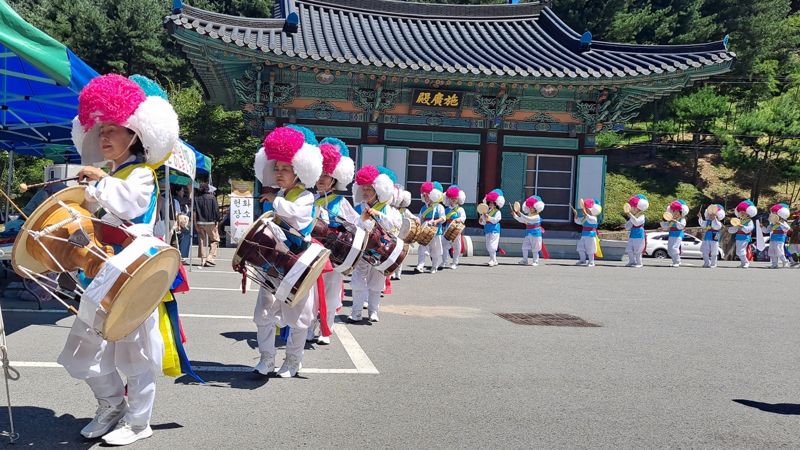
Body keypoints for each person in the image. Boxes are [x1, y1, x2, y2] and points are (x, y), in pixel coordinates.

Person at [56, 73, 179, 445]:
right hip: (101, 275)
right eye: (101, 129)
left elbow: (128, 202)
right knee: (84, 351)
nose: (104, 136)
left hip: (134, 275)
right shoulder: (110, 175)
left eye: (114, 128)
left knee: (135, 354)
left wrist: (97, 183)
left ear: (136, 134)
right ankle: (111, 406)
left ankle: (139, 422)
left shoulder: (141, 174)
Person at [252, 126, 323, 377]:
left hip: (297, 262)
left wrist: (275, 201)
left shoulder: (305, 196)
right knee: (264, 311)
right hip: (272, 262)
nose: (279, 173)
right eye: (277, 168)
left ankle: (293, 360)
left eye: (285, 169)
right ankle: (267, 358)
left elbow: (297, 217)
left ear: (300, 171)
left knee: (298, 313)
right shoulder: (278, 194)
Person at [307, 137, 356, 345]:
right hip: (310, 252)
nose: (321, 180)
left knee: (330, 292)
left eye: (326, 176)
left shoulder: (341, 202)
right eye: (319, 175)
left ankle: (326, 329)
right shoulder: (307, 199)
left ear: (335, 179)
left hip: (333, 254)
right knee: (309, 292)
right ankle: (308, 326)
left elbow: (354, 227)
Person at [349, 165, 401, 323]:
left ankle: (373, 311)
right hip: (362, 250)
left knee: (377, 282)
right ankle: (356, 312)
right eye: (363, 189)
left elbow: (394, 227)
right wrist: (362, 220)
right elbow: (352, 227)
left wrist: (378, 215)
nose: (365, 193)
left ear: (378, 191)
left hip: (381, 250)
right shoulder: (359, 208)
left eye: (369, 190)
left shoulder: (388, 209)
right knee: (358, 281)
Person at [414, 181, 445, 274]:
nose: (426, 198)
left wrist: (436, 221)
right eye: (424, 196)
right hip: (425, 231)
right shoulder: (423, 208)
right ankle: (420, 266)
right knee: (422, 248)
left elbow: (443, 218)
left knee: (435, 250)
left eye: (427, 195)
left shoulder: (439, 207)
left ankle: (434, 266)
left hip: (436, 231)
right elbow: (420, 218)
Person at [512, 195, 545, 266]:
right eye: (529, 207)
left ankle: (535, 261)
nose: (530, 208)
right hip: (528, 233)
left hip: (536, 233)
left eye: (532, 207)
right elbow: (522, 220)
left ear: (536, 208)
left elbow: (528, 219)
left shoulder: (537, 216)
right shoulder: (529, 215)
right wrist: (515, 215)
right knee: (524, 247)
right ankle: (525, 260)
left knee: (535, 248)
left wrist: (519, 213)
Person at [194, 182, 219, 267]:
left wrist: (195, 223)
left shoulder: (196, 198)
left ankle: (203, 259)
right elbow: (216, 210)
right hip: (211, 222)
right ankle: (210, 256)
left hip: (199, 221)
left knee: (202, 240)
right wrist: (217, 221)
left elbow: (194, 212)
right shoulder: (212, 198)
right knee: (215, 239)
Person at [441, 186, 466, 270]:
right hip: (447, 229)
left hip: (456, 230)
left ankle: (455, 262)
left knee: (456, 247)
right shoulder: (446, 210)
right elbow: (443, 219)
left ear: (458, 199)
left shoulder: (460, 209)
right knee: (444, 245)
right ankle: (444, 261)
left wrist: (458, 219)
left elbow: (463, 217)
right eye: (452, 198)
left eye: (455, 198)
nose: (453, 200)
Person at [572, 198, 602, 267]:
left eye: (586, 208)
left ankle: (591, 262)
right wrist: (576, 214)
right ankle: (582, 260)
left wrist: (585, 212)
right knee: (580, 247)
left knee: (590, 248)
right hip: (584, 235)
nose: (585, 210)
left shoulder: (594, 218)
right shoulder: (585, 217)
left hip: (591, 235)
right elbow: (579, 222)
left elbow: (590, 218)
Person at [660, 199, 689, 267]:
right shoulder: (671, 219)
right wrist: (664, 220)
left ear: (680, 212)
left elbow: (681, 226)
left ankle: (677, 261)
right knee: (670, 249)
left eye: (677, 211)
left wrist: (675, 221)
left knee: (674, 248)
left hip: (678, 234)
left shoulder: (682, 219)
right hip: (671, 234)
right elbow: (665, 226)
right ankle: (674, 261)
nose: (675, 212)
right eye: (674, 211)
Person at [728, 200, 757, 268]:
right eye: (741, 212)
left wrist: (741, 226)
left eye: (744, 212)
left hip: (745, 237)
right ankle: (743, 263)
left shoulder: (749, 221)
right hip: (738, 237)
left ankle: (746, 262)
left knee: (741, 250)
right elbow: (734, 229)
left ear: (748, 213)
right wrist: (730, 229)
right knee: (738, 251)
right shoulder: (740, 221)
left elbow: (749, 229)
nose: (742, 213)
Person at [479, 189, 504, 267]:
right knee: (488, 245)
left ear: (496, 204)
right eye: (490, 203)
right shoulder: (486, 211)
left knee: (492, 245)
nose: (491, 204)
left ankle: (492, 260)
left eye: (493, 203)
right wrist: (481, 220)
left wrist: (488, 217)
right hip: (487, 229)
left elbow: (496, 220)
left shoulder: (497, 212)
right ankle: (494, 260)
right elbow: (482, 222)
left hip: (495, 229)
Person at [762, 203, 791, 269]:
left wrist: (780, 223)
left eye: (776, 213)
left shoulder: (783, 222)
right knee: (772, 251)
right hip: (773, 238)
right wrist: (762, 227)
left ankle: (785, 262)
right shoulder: (772, 223)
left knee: (779, 251)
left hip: (780, 238)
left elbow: (787, 228)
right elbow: (766, 231)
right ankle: (774, 264)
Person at [623, 194, 649, 268]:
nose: (631, 209)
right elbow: (628, 226)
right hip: (632, 234)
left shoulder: (642, 216)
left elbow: (637, 223)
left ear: (639, 208)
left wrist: (630, 215)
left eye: (633, 207)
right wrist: (626, 224)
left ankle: (639, 263)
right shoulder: (633, 216)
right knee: (629, 249)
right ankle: (631, 261)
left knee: (638, 250)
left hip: (639, 234)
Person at [698, 204, 724, 268]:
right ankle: (707, 262)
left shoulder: (718, 222)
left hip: (715, 236)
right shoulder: (707, 221)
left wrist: (714, 219)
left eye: (713, 214)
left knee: (714, 251)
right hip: (707, 237)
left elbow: (717, 226)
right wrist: (700, 217)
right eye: (710, 214)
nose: (711, 215)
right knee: (704, 251)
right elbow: (702, 224)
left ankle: (713, 264)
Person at [173, 185, 191, 261]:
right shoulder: (178, 200)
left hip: (177, 221)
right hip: (180, 222)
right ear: (177, 191)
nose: (183, 192)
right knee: (184, 236)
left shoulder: (173, 198)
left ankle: (180, 255)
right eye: (182, 191)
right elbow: (178, 213)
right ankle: (182, 255)